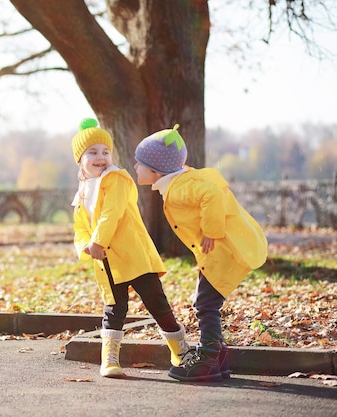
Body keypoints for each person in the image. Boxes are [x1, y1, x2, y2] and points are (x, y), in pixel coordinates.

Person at [134, 124, 268, 382]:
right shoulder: (180, 179)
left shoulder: (183, 186)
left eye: (139, 163)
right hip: (219, 252)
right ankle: (216, 357)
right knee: (205, 302)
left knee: (205, 304)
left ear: (155, 170)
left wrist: (211, 230)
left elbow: (211, 193)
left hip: (225, 251)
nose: (136, 167)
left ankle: (208, 358)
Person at [70, 118, 190, 378]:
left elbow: (111, 213)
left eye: (105, 151)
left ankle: (180, 351)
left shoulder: (117, 179)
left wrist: (98, 240)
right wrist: (86, 246)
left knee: (157, 303)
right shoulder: (81, 193)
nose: (100, 157)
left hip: (134, 255)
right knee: (114, 308)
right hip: (108, 260)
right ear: (80, 159)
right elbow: (80, 227)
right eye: (92, 152)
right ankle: (110, 359)